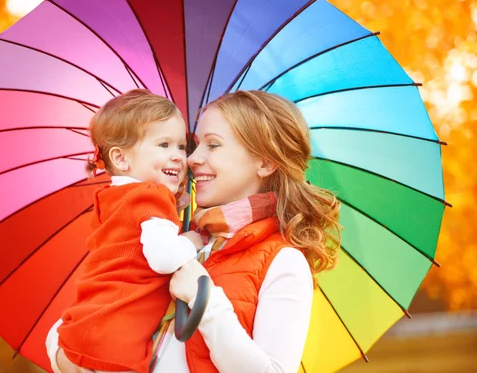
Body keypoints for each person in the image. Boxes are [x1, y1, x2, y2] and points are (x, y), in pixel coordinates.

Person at [47, 90, 341, 373]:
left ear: (263, 162)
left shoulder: (282, 261)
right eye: (194, 145)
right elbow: (101, 307)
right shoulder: (173, 236)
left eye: (212, 145)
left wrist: (208, 303)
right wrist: (60, 354)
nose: (191, 159)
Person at [56, 89, 203, 373]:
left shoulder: (110, 198)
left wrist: (173, 205)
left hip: (84, 328)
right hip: (117, 340)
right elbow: (163, 258)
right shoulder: (152, 194)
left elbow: (132, 239)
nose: (178, 157)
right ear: (121, 159)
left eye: (181, 146)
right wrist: (191, 240)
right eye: (163, 145)